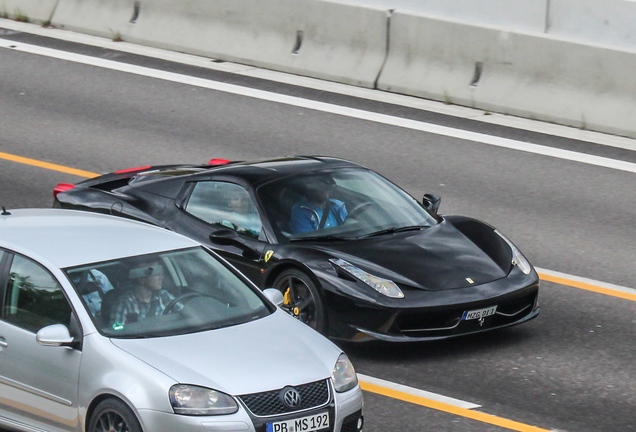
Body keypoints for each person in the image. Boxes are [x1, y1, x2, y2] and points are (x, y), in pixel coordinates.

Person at [109, 262, 179, 326]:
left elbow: (185, 314)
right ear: (142, 280)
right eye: (157, 274)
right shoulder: (124, 303)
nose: (162, 278)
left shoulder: (164, 296)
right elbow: (117, 329)